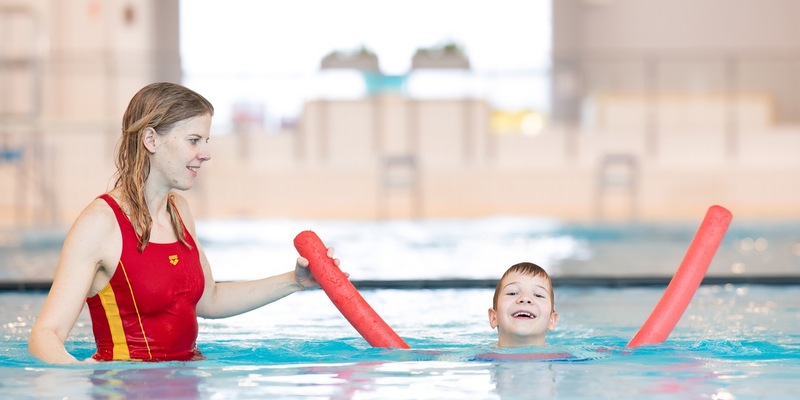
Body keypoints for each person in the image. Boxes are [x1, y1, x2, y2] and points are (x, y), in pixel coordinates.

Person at [28, 82, 337, 364]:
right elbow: (46, 336)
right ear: (151, 139)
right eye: (193, 140)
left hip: (187, 380)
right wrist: (84, 378)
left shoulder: (180, 212)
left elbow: (210, 300)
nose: (205, 154)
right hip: (125, 387)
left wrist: (294, 281)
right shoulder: (100, 223)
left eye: (205, 140)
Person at [488, 262, 558, 347]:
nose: (525, 298)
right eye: (512, 293)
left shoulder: (565, 358)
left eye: (538, 295)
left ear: (552, 320)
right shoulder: (479, 358)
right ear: (493, 317)